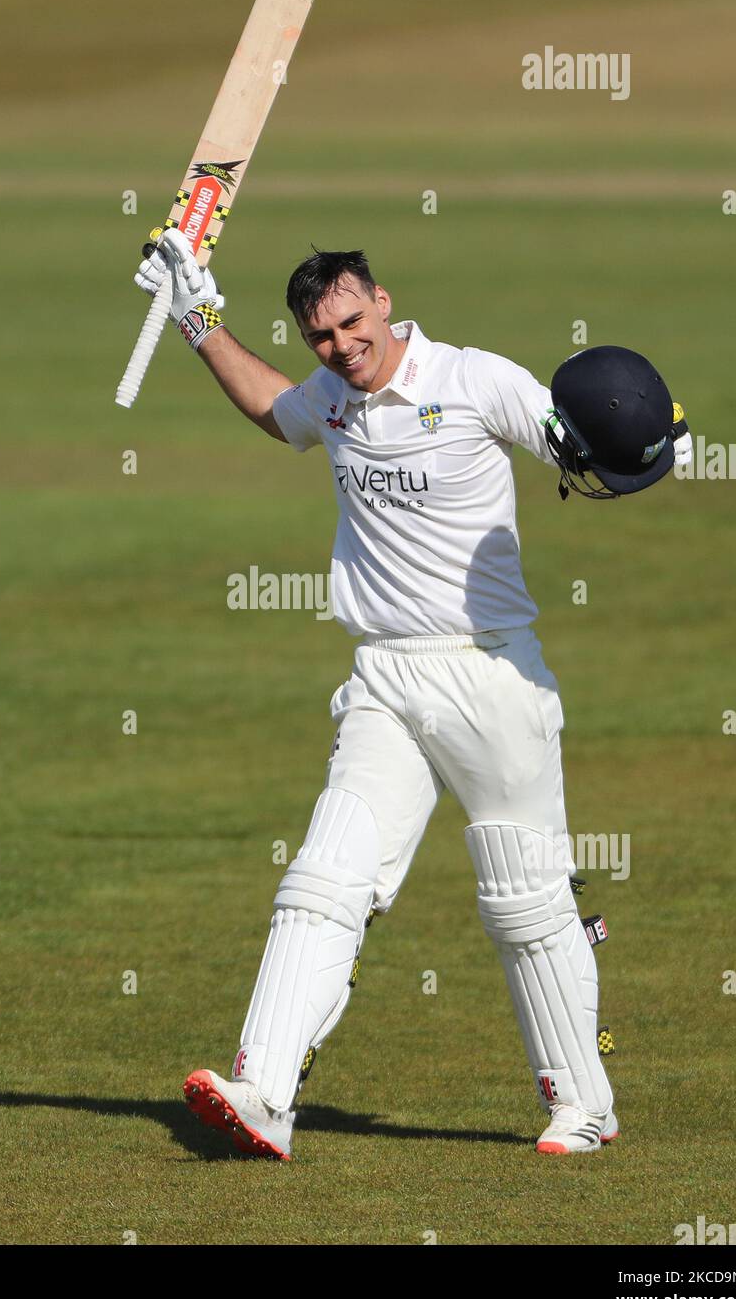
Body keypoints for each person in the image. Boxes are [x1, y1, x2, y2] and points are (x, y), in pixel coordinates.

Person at [133, 231, 690, 1159]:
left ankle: (583, 1105)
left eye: (353, 323)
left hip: (490, 673)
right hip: (384, 677)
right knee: (322, 882)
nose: (342, 346)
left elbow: (574, 433)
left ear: (383, 303)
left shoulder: (472, 379)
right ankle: (264, 1092)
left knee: (526, 901)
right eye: (322, 336)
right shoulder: (331, 398)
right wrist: (196, 317)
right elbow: (276, 411)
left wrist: (638, 435)